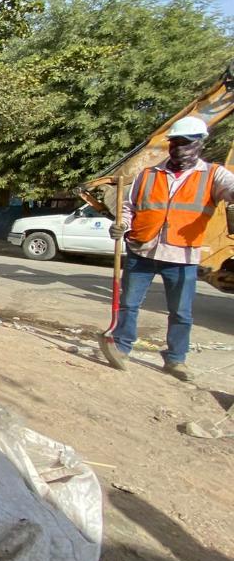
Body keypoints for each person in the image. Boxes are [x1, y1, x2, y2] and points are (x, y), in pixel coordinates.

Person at [100, 115, 234, 381]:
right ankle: (121, 347)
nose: (179, 149)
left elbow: (231, 189)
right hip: (143, 249)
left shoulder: (214, 175)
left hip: (182, 255)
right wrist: (122, 225)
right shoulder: (148, 175)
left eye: (185, 143)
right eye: (174, 143)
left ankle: (175, 359)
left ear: (200, 145)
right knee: (128, 303)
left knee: (181, 312)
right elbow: (128, 207)